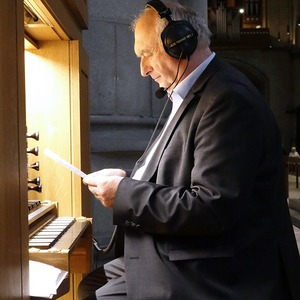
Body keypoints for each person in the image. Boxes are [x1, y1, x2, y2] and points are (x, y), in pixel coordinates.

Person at [78, 0, 300, 299]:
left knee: (91, 293)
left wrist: (124, 192)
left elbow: (211, 208)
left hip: (221, 272)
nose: (143, 70)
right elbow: (189, 175)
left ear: (180, 43)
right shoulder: (200, 91)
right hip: (188, 253)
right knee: (90, 282)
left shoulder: (227, 100)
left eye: (146, 54)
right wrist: (128, 179)